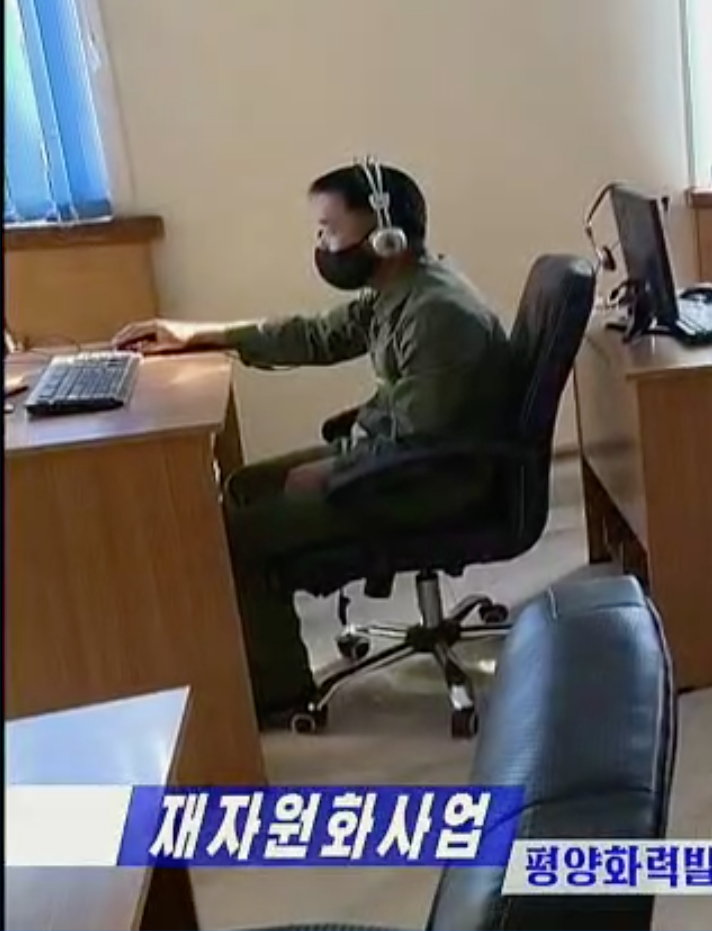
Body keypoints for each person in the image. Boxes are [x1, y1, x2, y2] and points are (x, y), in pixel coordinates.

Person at [112, 160, 512, 725]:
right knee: (244, 488)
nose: (321, 245)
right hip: (400, 455)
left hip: (433, 482)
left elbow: (422, 446)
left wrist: (333, 474)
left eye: (329, 229)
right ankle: (247, 661)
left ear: (384, 233)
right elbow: (319, 335)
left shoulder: (436, 314)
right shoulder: (398, 289)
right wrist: (204, 335)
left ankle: (277, 695)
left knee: (235, 537)